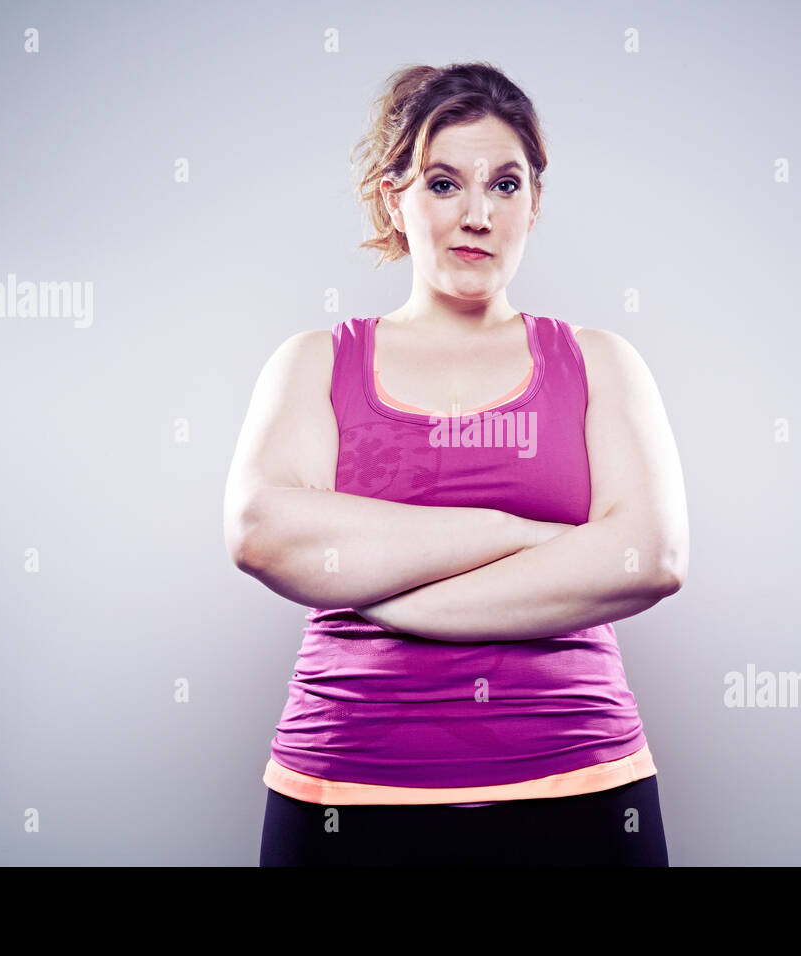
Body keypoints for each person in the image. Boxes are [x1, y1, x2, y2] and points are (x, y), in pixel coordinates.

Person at [223, 61, 689, 866]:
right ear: (391, 196)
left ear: (534, 205)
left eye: (505, 186)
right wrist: (522, 534)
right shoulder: (312, 363)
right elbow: (263, 532)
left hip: (578, 788)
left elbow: (648, 556)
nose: (477, 214)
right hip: (346, 794)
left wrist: (395, 598)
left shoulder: (599, 363)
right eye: (443, 184)